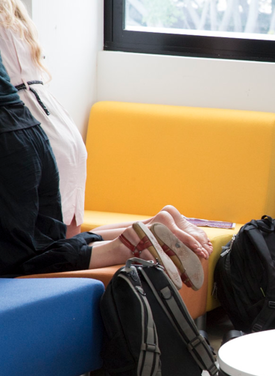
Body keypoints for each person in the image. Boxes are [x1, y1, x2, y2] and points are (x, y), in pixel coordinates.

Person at [0, 51, 208, 289]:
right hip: (33, 127)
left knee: (14, 262)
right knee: (49, 243)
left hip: (9, 139)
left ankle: (122, 247)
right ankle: (141, 231)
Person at [0, 0, 87, 238]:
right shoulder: (14, 16)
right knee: (70, 242)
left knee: (50, 247)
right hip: (60, 125)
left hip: (26, 125)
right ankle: (151, 226)